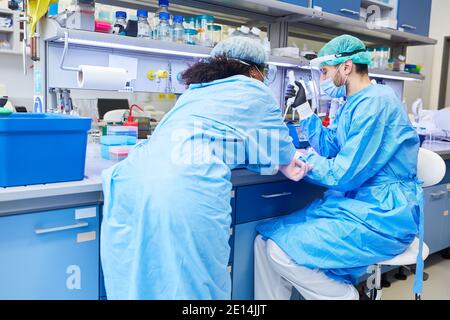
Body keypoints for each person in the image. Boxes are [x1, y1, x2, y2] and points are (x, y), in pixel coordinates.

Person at [100, 36, 311, 300]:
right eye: (263, 72)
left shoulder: (195, 91)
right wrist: (293, 162)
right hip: (185, 185)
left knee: (144, 278)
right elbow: (282, 150)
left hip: (134, 180)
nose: (263, 77)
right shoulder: (254, 90)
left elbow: (220, 138)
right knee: (196, 284)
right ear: (252, 70)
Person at [255, 34, 423, 300]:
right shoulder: (351, 103)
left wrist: (296, 159)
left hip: (383, 214)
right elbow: (330, 147)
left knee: (279, 249)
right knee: (263, 241)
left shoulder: (377, 103)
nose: (321, 78)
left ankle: (349, 296)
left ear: (346, 67)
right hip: (356, 205)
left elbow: (343, 174)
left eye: (324, 71)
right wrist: (306, 111)